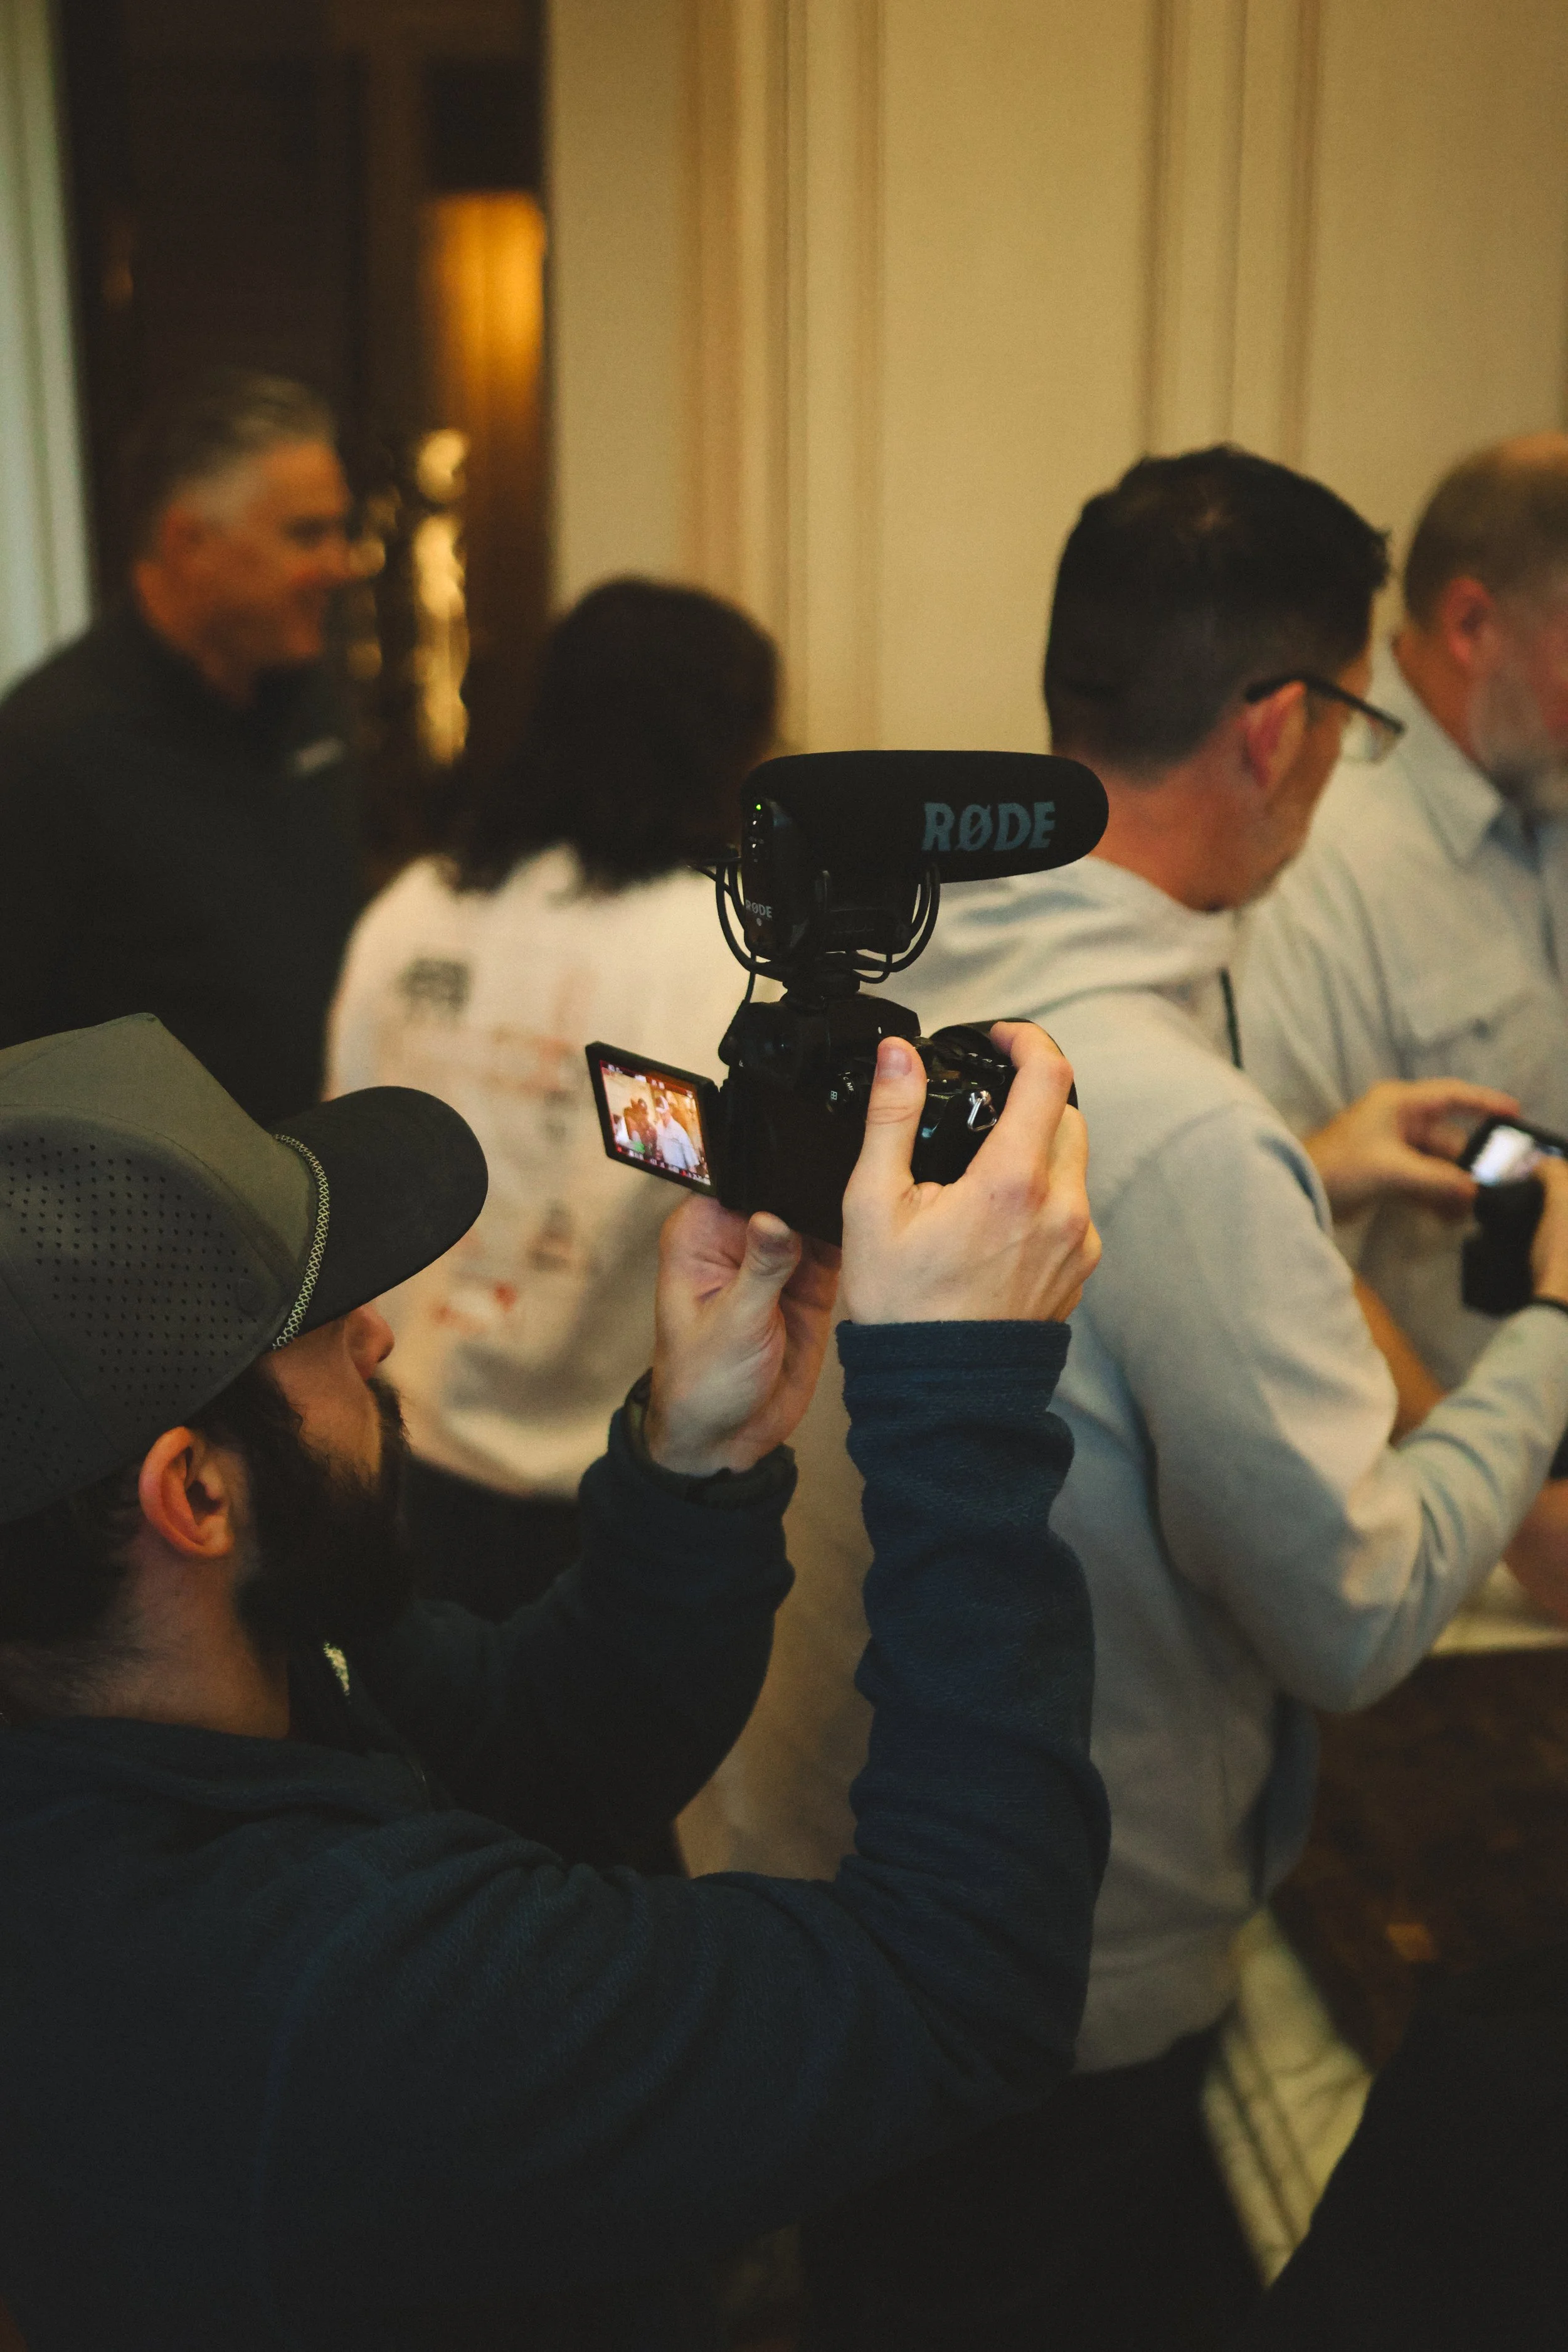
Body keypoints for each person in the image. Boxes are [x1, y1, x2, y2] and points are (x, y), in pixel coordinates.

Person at [679, 447, 1568, 2351]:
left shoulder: (916, 986)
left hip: (822, 1883)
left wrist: (1310, 1174)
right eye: (1350, 716)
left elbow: (1072, 1257)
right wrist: (1555, 1326)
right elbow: (1350, 1614)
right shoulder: (1175, 1124)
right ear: (1275, 729)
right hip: (1051, 1982)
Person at [0, 1007, 1105, 2351]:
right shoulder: (298, 1992)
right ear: (195, 1490)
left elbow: (542, 1760)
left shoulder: (230, 1656)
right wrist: (960, 1397)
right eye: (317, 1323)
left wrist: (699, 1463)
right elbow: (956, 1997)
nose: (376, 1341)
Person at [328, 578, 775, 1624]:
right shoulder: (714, 950)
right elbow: (707, 1188)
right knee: (586, 1773)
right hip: (604, 1475)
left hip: (390, 1445)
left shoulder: (413, 912)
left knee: (408, 1757)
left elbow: (346, 1141)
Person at [1241, 433, 1568, 1599]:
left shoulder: (1551, 796)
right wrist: (1520, 1520)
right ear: (1474, 624)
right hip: (1448, 1555)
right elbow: (1281, 1243)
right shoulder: (1321, 859)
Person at [0, 368, 363, 1125]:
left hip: (310, 1190)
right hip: (140, 1223)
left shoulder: (310, 707)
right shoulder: (46, 750)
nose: (341, 564)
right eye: (307, 534)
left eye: (339, 530)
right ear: (188, 542)